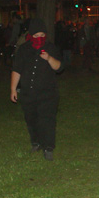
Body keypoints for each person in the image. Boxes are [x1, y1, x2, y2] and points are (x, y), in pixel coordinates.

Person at [10, 18, 63, 161]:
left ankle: (48, 147)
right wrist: (13, 89)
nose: (39, 38)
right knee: (31, 119)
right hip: (29, 92)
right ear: (31, 35)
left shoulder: (50, 48)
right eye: (36, 35)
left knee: (47, 120)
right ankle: (36, 142)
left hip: (48, 93)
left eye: (42, 35)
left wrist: (49, 58)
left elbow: (59, 67)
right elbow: (17, 69)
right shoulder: (24, 49)